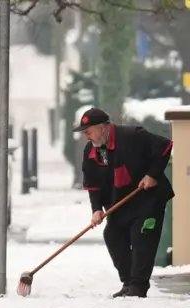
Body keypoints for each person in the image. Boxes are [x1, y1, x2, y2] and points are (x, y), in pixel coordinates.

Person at [73, 108, 174, 298]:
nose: (87, 137)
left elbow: (164, 146)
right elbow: (93, 185)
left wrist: (152, 175)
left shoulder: (133, 137)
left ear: (103, 128)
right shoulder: (91, 152)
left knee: (141, 236)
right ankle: (128, 282)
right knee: (112, 234)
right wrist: (96, 210)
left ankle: (138, 286)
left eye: (88, 131)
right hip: (120, 202)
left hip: (148, 199)